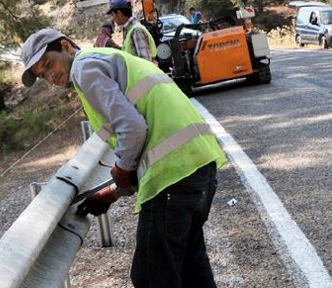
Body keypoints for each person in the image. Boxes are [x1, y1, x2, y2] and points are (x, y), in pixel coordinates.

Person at [20, 28, 227, 288]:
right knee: (191, 268)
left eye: (48, 64)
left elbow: (133, 128)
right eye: (42, 75)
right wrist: (114, 192)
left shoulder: (83, 68)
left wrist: (121, 170)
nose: (49, 76)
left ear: (66, 46)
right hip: (198, 166)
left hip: (172, 176)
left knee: (151, 277)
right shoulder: (104, 57)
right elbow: (143, 142)